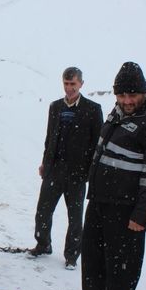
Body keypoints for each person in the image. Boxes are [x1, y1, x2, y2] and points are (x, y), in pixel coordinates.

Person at [70, 61, 146, 290]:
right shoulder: (119, 110)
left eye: (132, 95)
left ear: (143, 92)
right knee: (93, 252)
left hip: (127, 206)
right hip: (102, 196)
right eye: (122, 95)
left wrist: (142, 214)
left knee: (122, 264)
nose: (127, 101)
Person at [29, 67, 103, 269]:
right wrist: (45, 163)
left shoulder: (93, 109)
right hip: (54, 169)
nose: (69, 88)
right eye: (66, 84)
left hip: (77, 173)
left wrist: (90, 172)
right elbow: (49, 138)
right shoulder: (55, 107)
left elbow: (97, 144)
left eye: (73, 84)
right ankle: (43, 244)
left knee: (75, 217)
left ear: (81, 84)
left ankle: (72, 255)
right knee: (43, 211)